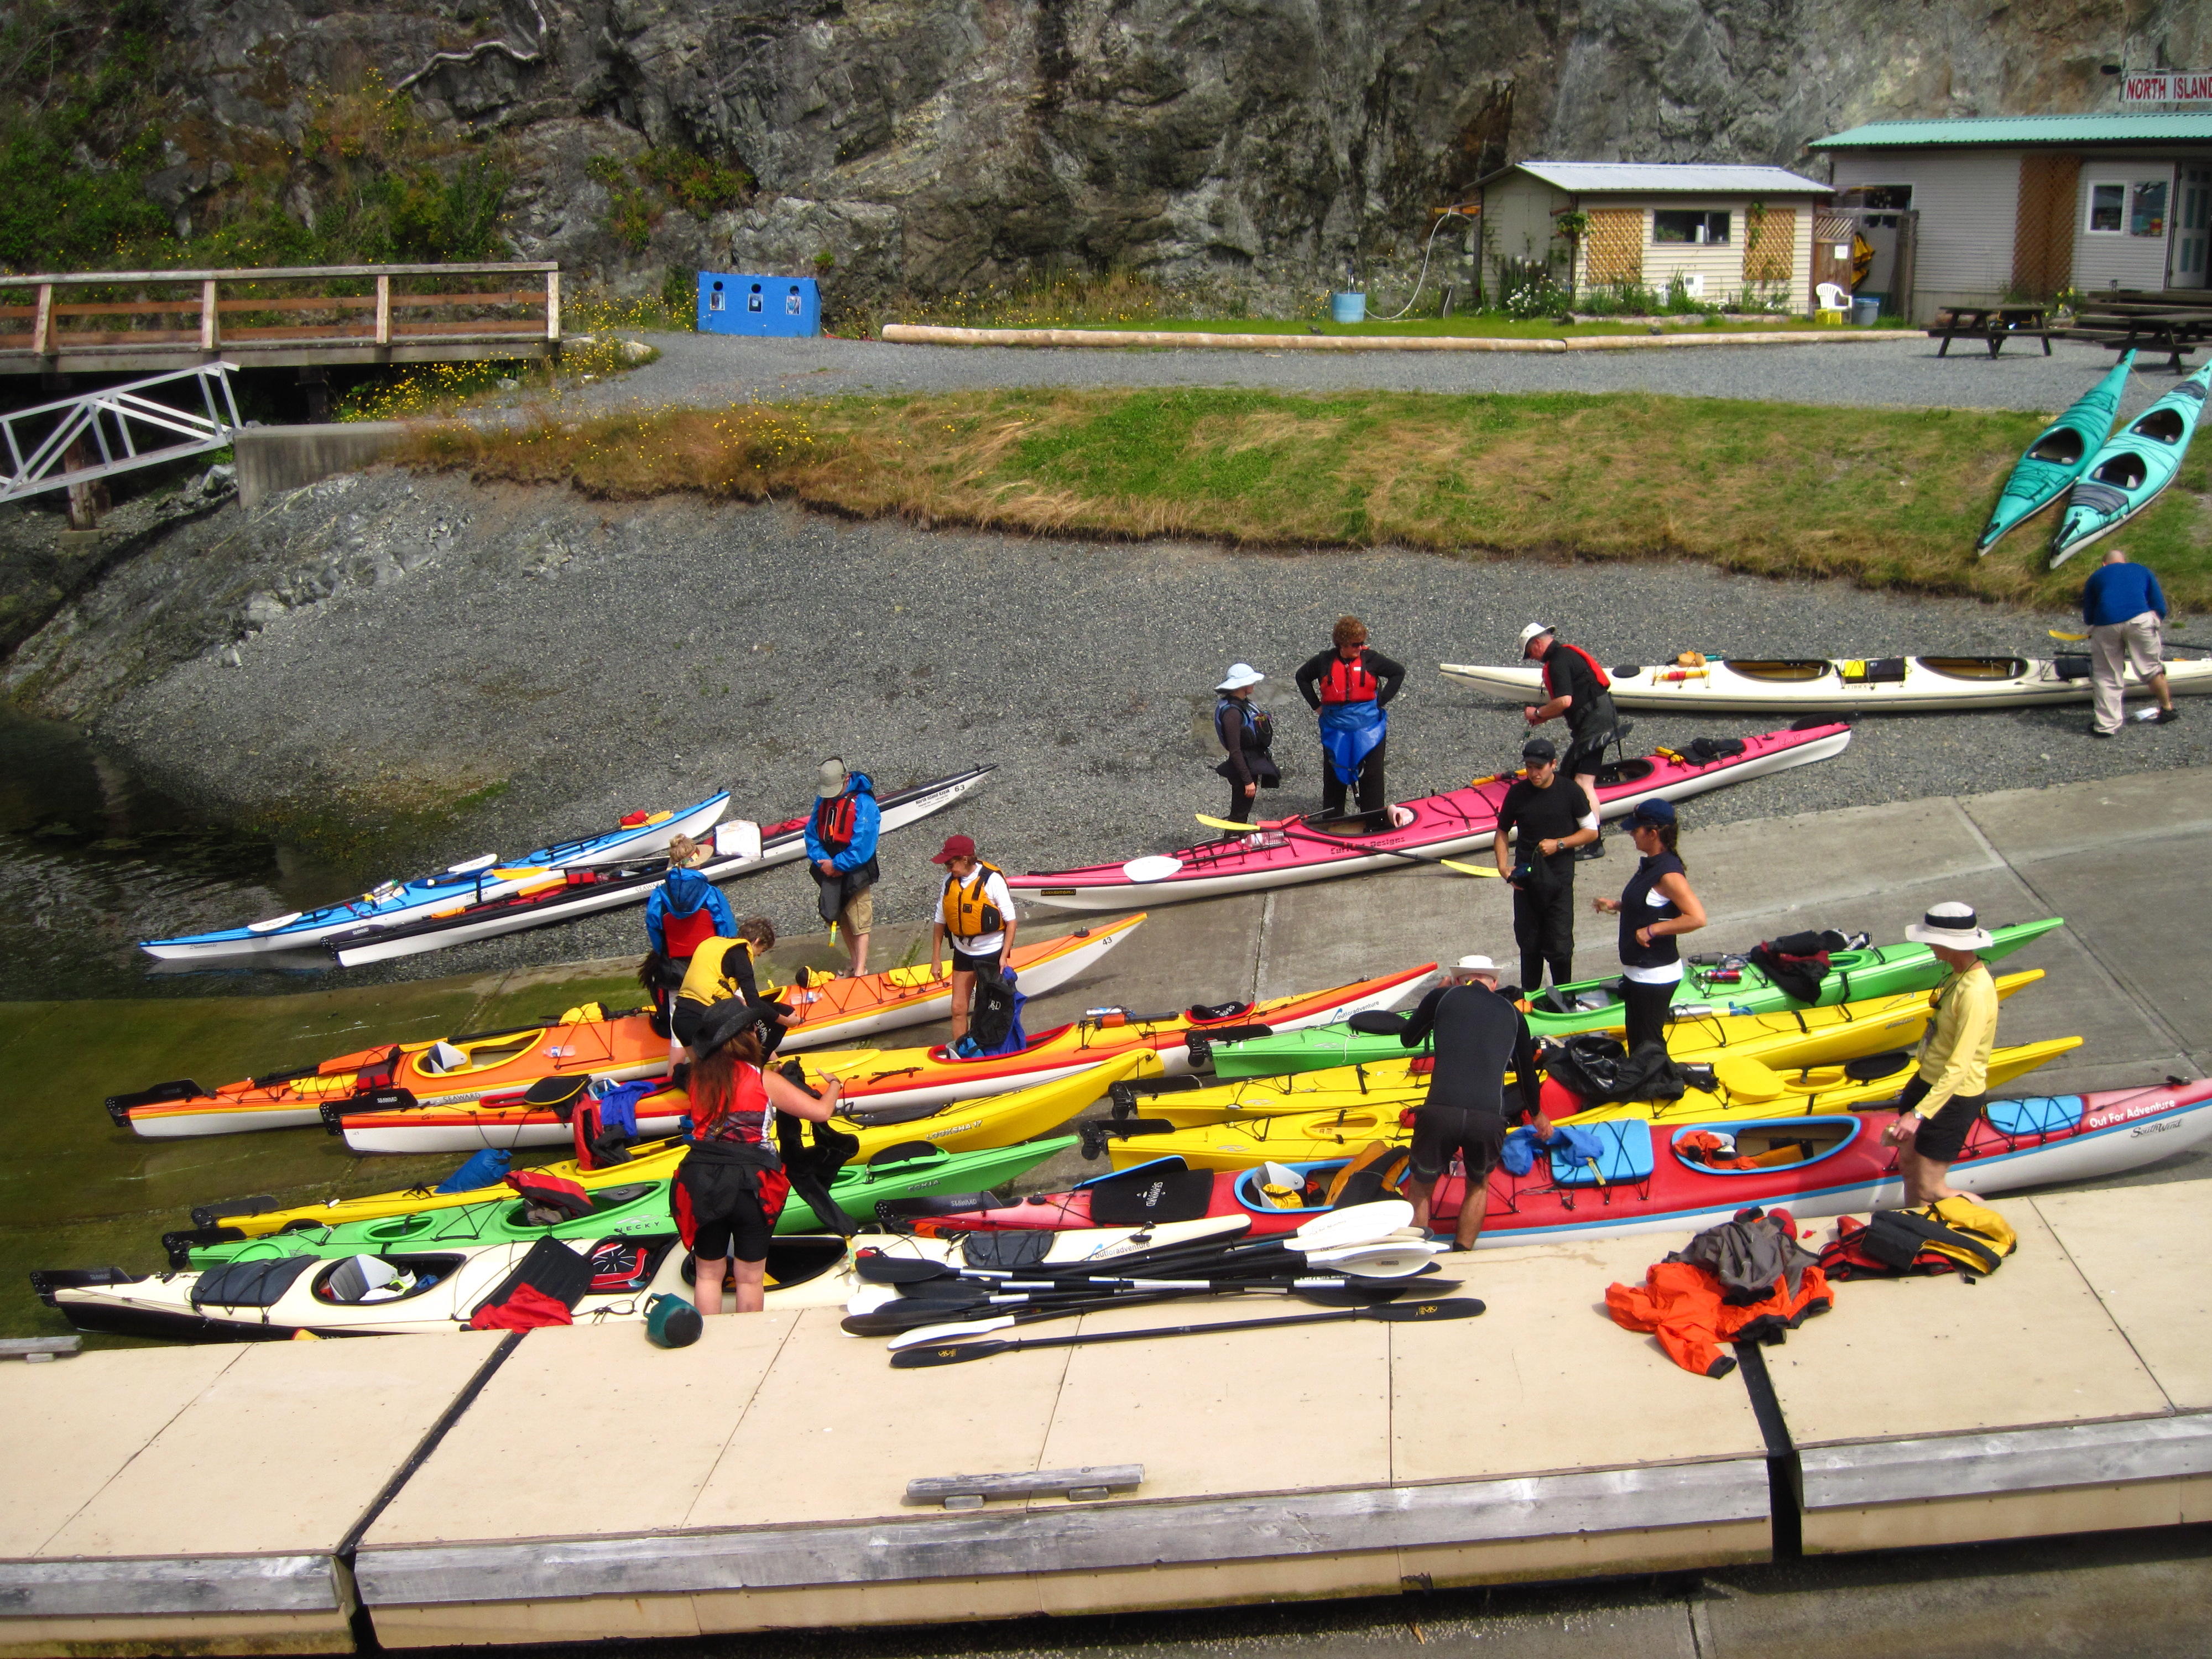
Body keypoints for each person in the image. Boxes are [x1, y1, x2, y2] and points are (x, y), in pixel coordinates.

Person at [676, 999, 844, 1316]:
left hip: (702, 1182)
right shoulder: (765, 1080)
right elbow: (821, 1113)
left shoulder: (697, 1079)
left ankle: (704, 1347)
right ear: (748, 1035)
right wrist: (834, 1084)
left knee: (708, 1274)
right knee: (750, 1279)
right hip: (750, 1185)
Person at [1396, 955, 1543, 1251]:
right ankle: (1463, 1253)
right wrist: (1539, 1116)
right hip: (1487, 1118)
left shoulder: (1442, 997)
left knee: (1422, 1187)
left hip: (1440, 1111)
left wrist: (1437, 997)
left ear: (1459, 980)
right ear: (1494, 983)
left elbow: (1408, 1039)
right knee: (1478, 1185)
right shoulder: (1515, 1015)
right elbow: (1528, 1076)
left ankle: (1418, 1255)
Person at [1881, 902, 2000, 1206]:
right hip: (1925, 1082)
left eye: (1931, 940)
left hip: (1953, 1099)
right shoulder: (1955, 975)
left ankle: (1986, 1222)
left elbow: (1960, 1066)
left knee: (1933, 1189)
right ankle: (1914, 1231)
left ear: (1951, 944)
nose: (1928, 945)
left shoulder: (1975, 993)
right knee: (1909, 1170)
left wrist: (1918, 1115)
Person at [1592, 799, 1707, 1054]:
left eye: (1636, 829)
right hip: (1639, 972)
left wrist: (1652, 931)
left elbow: (1697, 917)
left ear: (1653, 834)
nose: (1632, 834)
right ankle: (1645, 1080)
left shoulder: (1669, 874)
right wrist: (1617, 905)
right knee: (1638, 1040)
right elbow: (1651, 906)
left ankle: (1658, 1085)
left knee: (1648, 1045)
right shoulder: (1651, 865)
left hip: (1655, 975)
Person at [1491, 736, 1600, 997]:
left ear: (1553, 764)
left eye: (1539, 767)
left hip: (1559, 881)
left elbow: (1591, 832)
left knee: (1560, 947)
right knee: (1529, 944)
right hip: (1526, 881)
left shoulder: (1571, 792)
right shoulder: (1518, 793)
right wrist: (1503, 867)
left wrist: (1559, 844)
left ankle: (1564, 997)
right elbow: (1502, 831)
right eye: (1529, 766)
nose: (1533, 773)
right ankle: (1529, 996)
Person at [1295, 616, 1405, 834]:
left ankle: (1373, 823)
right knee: (1335, 774)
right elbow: (1302, 677)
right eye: (1356, 644)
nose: (1361, 647)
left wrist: (1381, 700)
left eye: (1362, 643)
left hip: (1370, 728)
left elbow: (1398, 672)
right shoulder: (1323, 661)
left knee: (1372, 776)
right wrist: (1316, 706)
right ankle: (1332, 823)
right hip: (1336, 728)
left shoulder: (1371, 659)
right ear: (1342, 645)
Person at [1519, 622, 1621, 828]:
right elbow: (1574, 703)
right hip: (1597, 719)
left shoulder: (1558, 662)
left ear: (1537, 644)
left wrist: (1537, 712)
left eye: (1530, 654)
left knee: (1583, 782)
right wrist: (1545, 717)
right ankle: (1570, 825)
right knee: (1566, 773)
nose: (1534, 659)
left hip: (1595, 724)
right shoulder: (1565, 656)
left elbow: (1565, 701)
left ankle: (1593, 840)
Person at [639, 835, 737, 1038]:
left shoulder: (658, 895)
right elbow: (727, 933)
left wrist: (665, 954)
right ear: (698, 863)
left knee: (678, 1034)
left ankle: (677, 1062)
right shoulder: (712, 894)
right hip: (710, 969)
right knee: (730, 1015)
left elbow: (655, 932)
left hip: (674, 971)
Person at [928, 834, 1018, 1047]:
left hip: (991, 954)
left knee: (988, 1010)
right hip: (963, 953)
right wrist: (936, 958)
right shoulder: (949, 882)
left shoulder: (992, 880)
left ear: (965, 859)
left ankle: (990, 1049)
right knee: (958, 1009)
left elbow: (1011, 921)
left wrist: (1004, 957)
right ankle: (962, 1051)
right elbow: (940, 921)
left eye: (950, 864)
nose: (948, 869)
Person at [2081, 546, 2177, 738]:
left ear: (2104, 564)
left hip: (2106, 624)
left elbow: (2089, 615)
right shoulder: (2141, 570)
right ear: (2124, 561)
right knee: (2150, 667)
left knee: (2107, 675)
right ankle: (2167, 709)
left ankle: (2106, 727)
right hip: (2139, 620)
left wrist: (2096, 626)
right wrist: (2155, 621)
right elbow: (2158, 604)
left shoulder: (2096, 577)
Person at [805, 758, 881, 975]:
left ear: (847, 779)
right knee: (841, 917)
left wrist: (838, 865)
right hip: (829, 865)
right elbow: (812, 835)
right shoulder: (824, 800)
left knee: (860, 920)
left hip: (855, 868)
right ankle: (854, 961)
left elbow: (863, 844)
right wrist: (824, 862)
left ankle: (860, 970)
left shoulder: (864, 803)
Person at [672, 917, 790, 1055]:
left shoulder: (713, 942)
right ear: (757, 941)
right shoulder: (741, 953)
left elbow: (711, 981)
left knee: (702, 1074)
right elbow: (754, 1003)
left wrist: (735, 999)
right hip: (703, 1020)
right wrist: (785, 1020)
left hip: (680, 1017)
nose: (758, 955)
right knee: (730, 1070)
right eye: (762, 950)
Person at [1213, 662, 1280, 823]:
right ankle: (1232, 842)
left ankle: (1237, 840)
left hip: (1250, 764)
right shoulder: (1232, 714)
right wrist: (1247, 781)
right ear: (1242, 685)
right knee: (1239, 813)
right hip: (1243, 769)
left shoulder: (1243, 704)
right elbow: (1235, 751)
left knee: (1243, 811)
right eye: (1251, 681)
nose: (1254, 684)